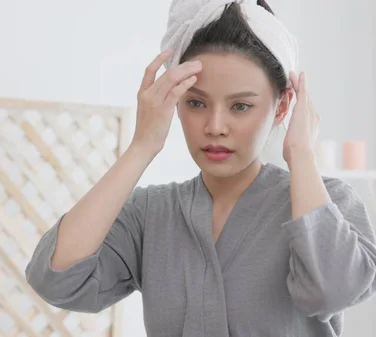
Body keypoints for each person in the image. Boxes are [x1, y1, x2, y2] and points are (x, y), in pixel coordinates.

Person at [24, 0, 376, 336]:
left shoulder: (326, 201)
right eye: (196, 103)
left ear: (282, 107)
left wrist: (300, 153)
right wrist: (142, 146)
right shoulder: (149, 215)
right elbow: (56, 279)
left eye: (240, 106)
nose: (215, 126)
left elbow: (335, 291)